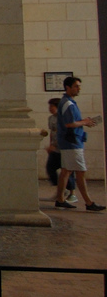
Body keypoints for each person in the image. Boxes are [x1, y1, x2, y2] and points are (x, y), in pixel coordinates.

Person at [54, 76, 106, 211]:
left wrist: (83, 121)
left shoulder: (68, 103)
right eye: (76, 86)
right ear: (68, 87)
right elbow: (69, 124)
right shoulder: (68, 104)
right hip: (72, 143)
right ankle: (88, 203)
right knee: (80, 172)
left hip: (70, 142)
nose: (79, 89)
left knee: (66, 171)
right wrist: (85, 122)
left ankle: (60, 199)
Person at [45, 97, 77, 202]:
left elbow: (65, 133)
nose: (50, 108)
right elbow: (52, 133)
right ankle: (61, 190)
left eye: (52, 106)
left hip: (65, 148)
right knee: (50, 168)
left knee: (67, 171)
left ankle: (72, 193)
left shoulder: (64, 118)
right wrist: (51, 145)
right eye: (49, 106)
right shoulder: (51, 119)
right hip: (55, 149)